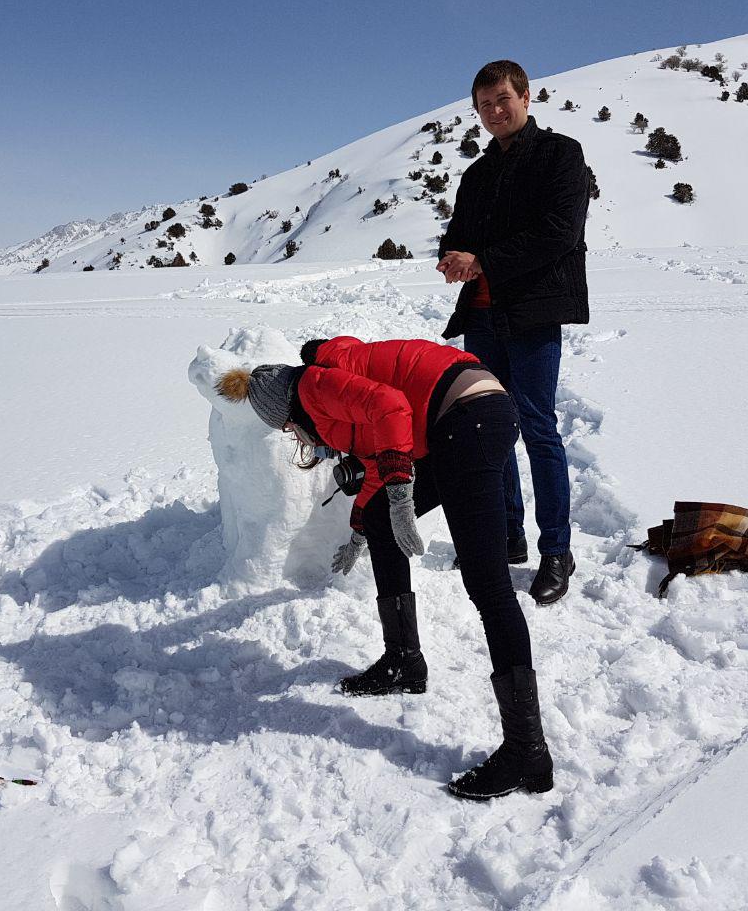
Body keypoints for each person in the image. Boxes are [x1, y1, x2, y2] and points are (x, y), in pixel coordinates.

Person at [215, 335, 553, 800]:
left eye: (289, 429)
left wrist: (399, 492)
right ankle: (404, 661)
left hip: (466, 422)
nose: (295, 437)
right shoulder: (338, 375)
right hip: (471, 414)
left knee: (488, 586)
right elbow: (380, 448)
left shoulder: (314, 385)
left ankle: (527, 753)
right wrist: (362, 527)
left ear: (290, 411)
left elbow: (391, 408)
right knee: (379, 520)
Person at [437, 59, 591, 606]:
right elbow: (457, 233)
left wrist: (482, 260)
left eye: (503, 99)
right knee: (489, 428)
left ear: (526, 96)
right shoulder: (476, 175)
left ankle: (557, 551)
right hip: (481, 317)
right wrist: (453, 258)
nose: (495, 111)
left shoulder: (559, 154)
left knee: (538, 428)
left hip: (531, 312)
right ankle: (508, 535)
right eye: (484, 105)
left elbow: (559, 233)